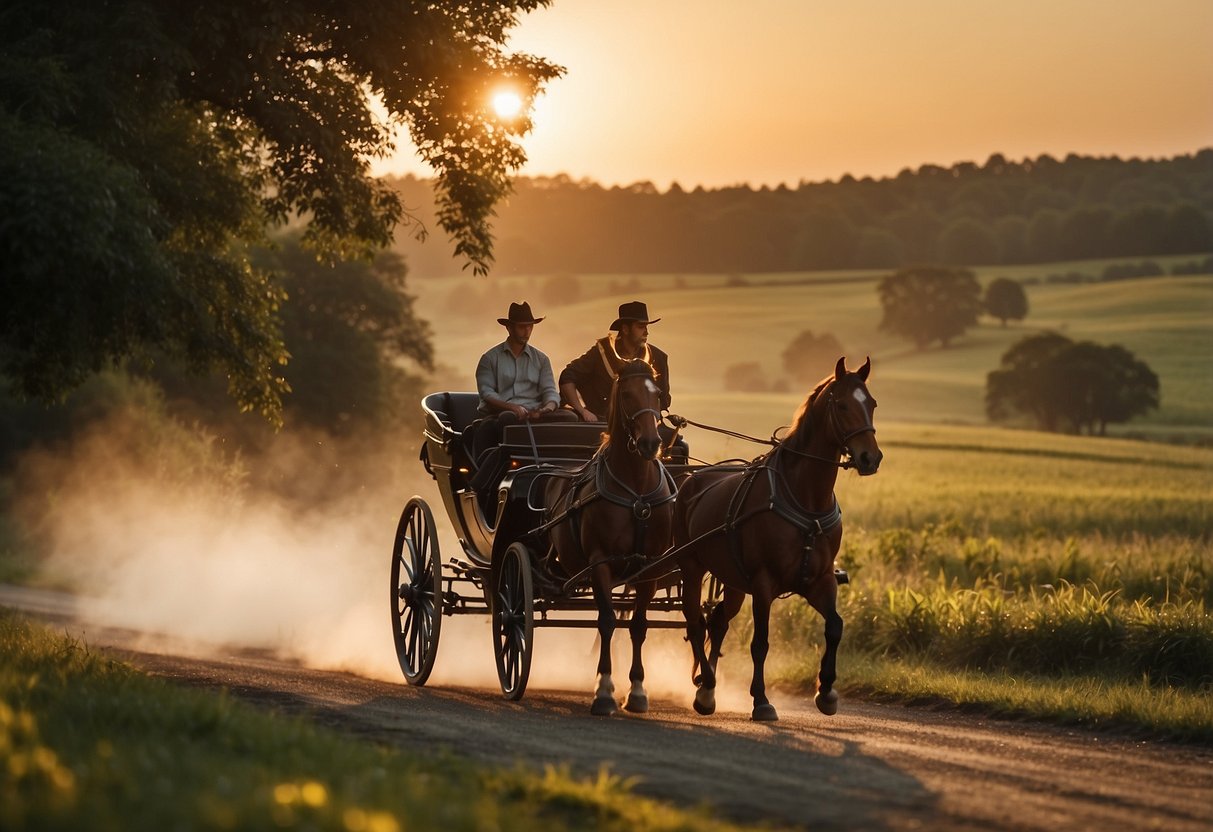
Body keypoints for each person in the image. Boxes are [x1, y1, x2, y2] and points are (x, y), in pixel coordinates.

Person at [469, 301, 573, 499]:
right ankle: (488, 480)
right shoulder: (490, 359)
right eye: (522, 326)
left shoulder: (541, 359)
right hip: (501, 414)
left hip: (536, 415)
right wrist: (513, 407)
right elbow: (487, 393)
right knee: (507, 419)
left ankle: (562, 470)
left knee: (570, 419)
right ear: (509, 327)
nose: (527, 331)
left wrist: (547, 409)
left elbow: (550, 392)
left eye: (530, 326)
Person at [560, 300, 671, 422]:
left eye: (646, 326)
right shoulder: (601, 352)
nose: (646, 332)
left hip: (644, 426)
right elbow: (567, 377)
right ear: (625, 329)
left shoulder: (657, 357)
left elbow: (664, 400)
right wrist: (582, 411)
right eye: (640, 327)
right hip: (602, 424)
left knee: (677, 441)